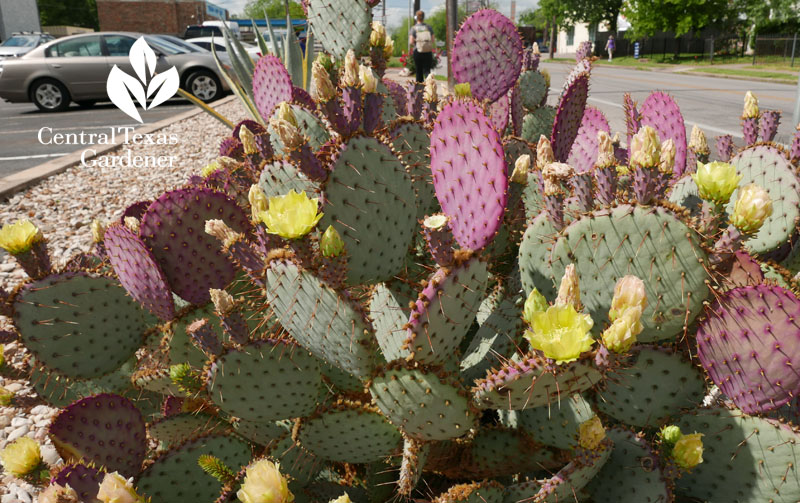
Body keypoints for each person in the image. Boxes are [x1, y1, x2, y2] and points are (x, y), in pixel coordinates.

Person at [409, 10, 435, 83]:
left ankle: (420, 90)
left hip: (418, 51)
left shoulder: (414, 28)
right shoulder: (428, 27)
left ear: (416, 18)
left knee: (418, 71)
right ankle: (429, 89)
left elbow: (411, 42)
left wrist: (417, 41)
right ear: (423, 17)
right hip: (428, 51)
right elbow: (432, 40)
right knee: (427, 71)